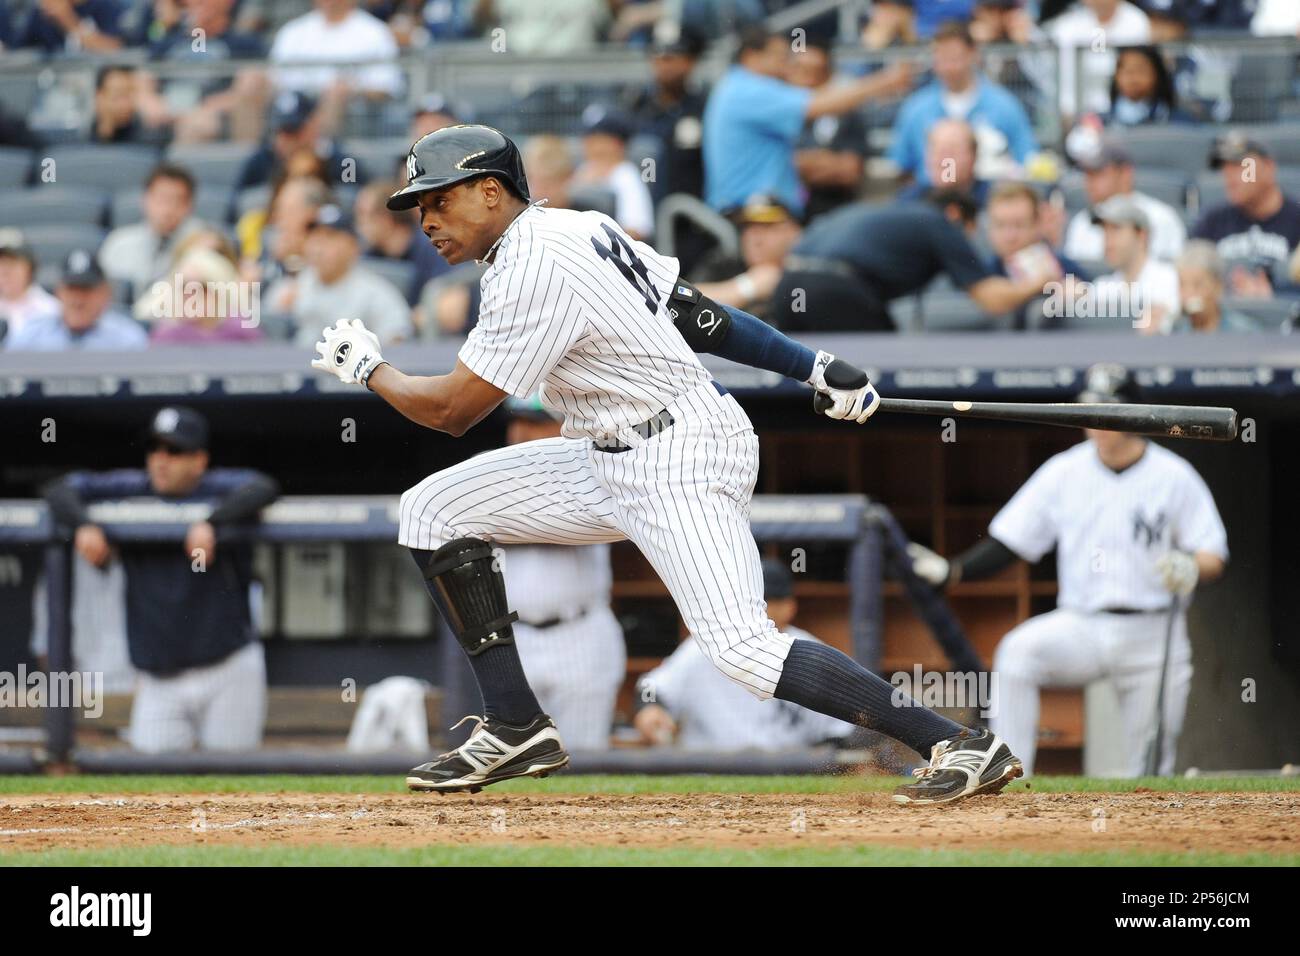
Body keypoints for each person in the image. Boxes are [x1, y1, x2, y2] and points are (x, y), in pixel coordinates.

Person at [310, 123, 1024, 804]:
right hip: (604, 453)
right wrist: (813, 365)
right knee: (432, 510)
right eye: (419, 207)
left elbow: (452, 411)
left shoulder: (533, 261)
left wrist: (372, 368)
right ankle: (515, 725)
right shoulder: (577, 225)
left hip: (679, 452)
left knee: (742, 650)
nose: (427, 220)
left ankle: (957, 744)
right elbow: (691, 311)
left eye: (441, 200)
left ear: (491, 191)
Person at [906, 364, 1228, 777]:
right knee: (1019, 653)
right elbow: (1013, 541)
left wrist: (1190, 565)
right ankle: (1008, 772)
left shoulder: (1173, 475)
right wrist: (954, 571)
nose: (1096, 421)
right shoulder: (1064, 470)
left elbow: (1213, 554)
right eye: (1090, 410)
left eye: (1108, 411)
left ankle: (1142, 830)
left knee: (1151, 767)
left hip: (1152, 631)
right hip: (1082, 625)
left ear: (1134, 414)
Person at [43, 407, 279, 753]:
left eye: (174, 450)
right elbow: (58, 488)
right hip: (159, 680)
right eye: (155, 449)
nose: (161, 460)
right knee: (152, 787)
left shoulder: (215, 489)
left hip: (228, 667)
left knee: (236, 784)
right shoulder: (133, 488)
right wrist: (83, 524)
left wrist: (212, 522)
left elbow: (264, 487)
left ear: (199, 461)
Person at [495, 396, 626, 750]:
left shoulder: (597, 465)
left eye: (535, 422)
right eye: (517, 421)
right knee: (514, 758)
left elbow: (573, 531)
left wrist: (504, 525)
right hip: (512, 636)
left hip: (580, 635)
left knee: (581, 760)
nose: (521, 432)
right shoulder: (485, 468)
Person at [634, 559, 856, 750]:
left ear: (789, 607)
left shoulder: (811, 652)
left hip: (788, 775)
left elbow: (842, 732)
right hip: (709, 775)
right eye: (748, 599)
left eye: (766, 600)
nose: (755, 607)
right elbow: (651, 687)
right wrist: (650, 708)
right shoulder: (704, 645)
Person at [772, 190, 1061, 332]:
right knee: (880, 387)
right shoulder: (941, 223)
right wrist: (1040, 282)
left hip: (786, 289)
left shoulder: (888, 215)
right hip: (834, 292)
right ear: (957, 216)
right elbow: (991, 299)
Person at [702, 26, 911, 217]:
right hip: (753, 213)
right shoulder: (748, 90)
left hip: (758, 210)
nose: (787, 65)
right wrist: (885, 81)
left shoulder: (736, 87)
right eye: (780, 57)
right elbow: (818, 104)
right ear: (752, 57)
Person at [889, 21, 1038, 188]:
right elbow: (900, 166)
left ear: (973, 54)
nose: (949, 67)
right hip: (929, 198)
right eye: (942, 58)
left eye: (955, 58)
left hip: (987, 198)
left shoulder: (1004, 105)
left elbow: (1026, 159)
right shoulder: (916, 108)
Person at [269, 203, 412, 347]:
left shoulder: (375, 293)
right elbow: (263, 335)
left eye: (329, 237)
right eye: (314, 236)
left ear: (353, 246)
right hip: (297, 366)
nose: (319, 247)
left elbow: (397, 340)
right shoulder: (292, 287)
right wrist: (281, 313)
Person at [1192, 132, 1300, 298]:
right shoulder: (1211, 221)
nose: (1230, 177)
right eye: (1225, 168)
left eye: (1240, 166)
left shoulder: (1296, 218)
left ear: (1269, 167)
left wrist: (1275, 296)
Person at [984, 181, 1091, 330]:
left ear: (1037, 224)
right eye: (1000, 225)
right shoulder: (982, 275)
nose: (1010, 236)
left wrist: (1079, 295)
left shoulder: (1064, 269)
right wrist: (1038, 284)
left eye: (1019, 225)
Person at [1062, 139, 1185, 264]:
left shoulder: (1160, 217)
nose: (1089, 182)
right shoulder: (1081, 222)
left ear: (1126, 173)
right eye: (1087, 175)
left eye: (1098, 173)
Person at [789, 35, 869, 221]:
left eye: (816, 72)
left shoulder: (846, 113)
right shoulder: (775, 111)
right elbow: (780, 163)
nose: (808, 81)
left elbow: (850, 172)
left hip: (833, 210)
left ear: (829, 74)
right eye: (801, 71)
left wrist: (800, 165)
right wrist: (824, 160)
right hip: (785, 212)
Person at [623, 27, 708, 203]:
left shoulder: (704, 107)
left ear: (690, 61)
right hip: (646, 207)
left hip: (692, 211)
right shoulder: (637, 106)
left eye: (671, 58)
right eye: (658, 57)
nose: (664, 65)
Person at [100, 163, 205, 302]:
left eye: (177, 200)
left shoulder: (203, 244)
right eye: (162, 199)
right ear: (145, 199)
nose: (168, 209)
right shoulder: (119, 243)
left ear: (190, 205)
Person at [5, 250, 147, 352]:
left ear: (105, 294)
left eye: (86, 290)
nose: (78, 300)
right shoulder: (32, 333)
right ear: (58, 292)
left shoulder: (127, 338)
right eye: (71, 289)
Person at [691, 194, 802, 318]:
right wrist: (748, 287)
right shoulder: (725, 264)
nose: (755, 239)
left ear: (794, 232)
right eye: (748, 228)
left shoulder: (803, 273)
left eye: (767, 227)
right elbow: (685, 300)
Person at [269, 0, 403, 99]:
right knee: (252, 81)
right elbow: (273, 78)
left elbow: (386, 87)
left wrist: (351, 90)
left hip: (355, 116)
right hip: (291, 108)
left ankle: (324, 138)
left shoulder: (375, 32)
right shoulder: (292, 31)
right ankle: (249, 138)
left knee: (337, 91)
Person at [1046, 0, 1152, 118]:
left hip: (1124, 113)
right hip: (1076, 115)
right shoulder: (1066, 26)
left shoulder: (1136, 21)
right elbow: (1061, 78)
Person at [354, 179, 450, 306]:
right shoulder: (369, 253)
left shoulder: (434, 248)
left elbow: (446, 296)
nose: (358, 223)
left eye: (363, 214)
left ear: (385, 219)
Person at [1092, 195, 1180, 333]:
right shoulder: (1101, 288)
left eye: (1116, 229)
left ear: (1141, 236)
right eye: (1104, 230)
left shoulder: (1170, 279)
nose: (1108, 240)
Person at [235, 91, 355, 191]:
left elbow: (360, 201)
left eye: (292, 131)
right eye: (277, 131)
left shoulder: (344, 163)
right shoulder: (259, 163)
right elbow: (233, 212)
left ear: (314, 125)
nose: (284, 139)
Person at [574, 107, 655, 241]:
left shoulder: (626, 175)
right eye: (588, 138)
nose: (590, 145)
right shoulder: (583, 170)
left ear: (617, 143)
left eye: (598, 139)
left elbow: (636, 230)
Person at [897, 118, 991, 208]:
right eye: (936, 151)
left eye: (951, 151)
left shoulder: (992, 199)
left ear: (973, 155)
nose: (943, 160)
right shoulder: (910, 203)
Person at [1170, 240, 1259, 334]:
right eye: (1181, 285)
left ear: (1218, 287)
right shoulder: (1175, 332)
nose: (1188, 293)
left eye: (1198, 285)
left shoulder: (1245, 333)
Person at [1103, 45, 1190, 127]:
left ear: (1157, 74)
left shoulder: (1181, 122)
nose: (1131, 78)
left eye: (1140, 70)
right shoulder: (1100, 123)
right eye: (1125, 70)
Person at [0, 236, 59, 344]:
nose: (5, 271)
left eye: (12, 263)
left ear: (30, 268)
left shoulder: (52, 310)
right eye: (1, 264)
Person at [13, 0, 129, 53]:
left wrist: (68, 20)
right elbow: (17, 52)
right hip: (54, 89)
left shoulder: (107, 6)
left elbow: (115, 50)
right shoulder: (42, 13)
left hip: (97, 88)